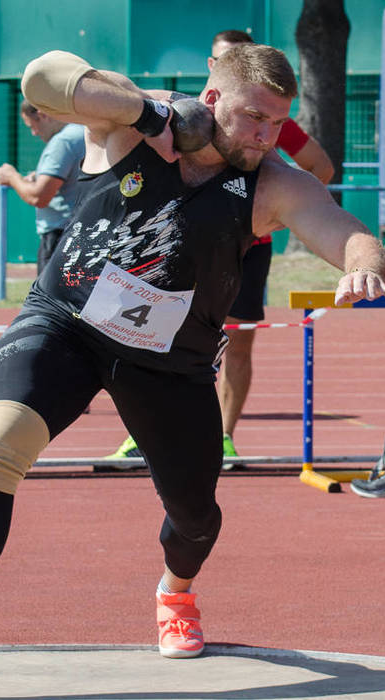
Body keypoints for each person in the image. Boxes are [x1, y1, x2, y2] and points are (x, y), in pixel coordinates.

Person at [0, 44, 385, 687]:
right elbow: (43, 77)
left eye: (276, 122)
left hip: (170, 364)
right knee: (2, 444)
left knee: (196, 516)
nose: (267, 136)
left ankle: (175, 594)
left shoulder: (272, 183)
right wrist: (148, 111)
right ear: (212, 101)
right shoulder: (129, 129)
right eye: (254, 118)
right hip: (65, 324)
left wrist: (363, 269)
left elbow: (346, 230)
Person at [107, 30, 335, 469]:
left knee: (237, 344)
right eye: (215, 59)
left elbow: (320, 168)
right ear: (212, 70)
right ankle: (140, 435)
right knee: (147, 335)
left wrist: (272, 209)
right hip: (180, 242)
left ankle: (225, 437)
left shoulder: (266, 119)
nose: (217, 64)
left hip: (246, 249)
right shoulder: (178, 113)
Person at [0, 100, 85, 274]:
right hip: (81, 233)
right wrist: (40, 175)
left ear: (42, 115)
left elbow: (39, 197)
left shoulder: (63, 141)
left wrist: (12, 177)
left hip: (60, 237)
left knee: (47, 301)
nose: (34, 133)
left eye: (32, 125)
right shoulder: (83, 132)